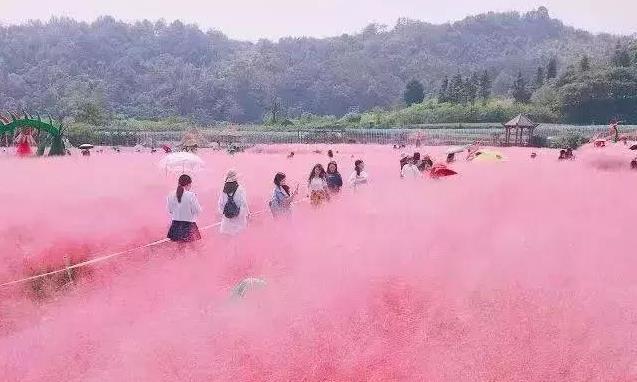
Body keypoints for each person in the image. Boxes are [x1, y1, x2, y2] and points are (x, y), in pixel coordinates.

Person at [167, 174, 202, 242]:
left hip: (176, 224)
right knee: (193, 247)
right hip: (188, 225)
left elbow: (170, 210)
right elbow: (197, 210)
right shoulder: (191, 195)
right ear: (188, 184)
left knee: (180, 248)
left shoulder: (171, 194)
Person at [218, 170, 250, 235]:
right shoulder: (240, 189)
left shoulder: (224, 190)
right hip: (239, 220)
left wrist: (226, 212)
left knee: (228, 242)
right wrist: (247, 213)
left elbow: (220, 204)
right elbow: (243, 203)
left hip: (227, 223)